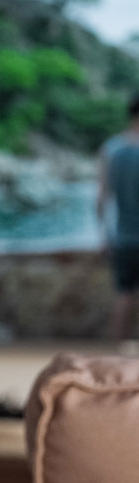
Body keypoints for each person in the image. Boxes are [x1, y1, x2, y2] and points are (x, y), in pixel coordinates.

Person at [100, 94, 139, 342]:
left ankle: (118, 355)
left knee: (123, 295)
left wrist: (103, 236)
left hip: (122, 237)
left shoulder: (111, 149)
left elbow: (101, 198)